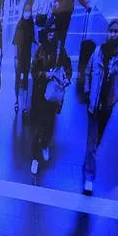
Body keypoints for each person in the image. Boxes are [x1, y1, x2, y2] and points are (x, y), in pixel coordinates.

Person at [82, 17, 118, 195]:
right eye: (110, 30)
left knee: (97, 142)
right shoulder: (97, 52)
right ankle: (89, 177)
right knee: (92, 143)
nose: (112, 34)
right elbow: (87, 72)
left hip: (107, 107)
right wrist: (87, 91)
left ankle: (88, 161)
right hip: (94, 105)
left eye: (116, 31)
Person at [29, 26, 71, 177]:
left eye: (54, 30)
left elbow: (68, 67)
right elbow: (33, 71)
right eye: (50, 31)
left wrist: (65, 78)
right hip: (40, 95)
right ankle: (34, 158)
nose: (52, 34)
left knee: (50, 125)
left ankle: (45, 145)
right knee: (38, 128)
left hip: (54, 95)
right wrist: (45, 74)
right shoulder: (40, 50)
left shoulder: (60, 50)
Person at [12, 0, 36, 120]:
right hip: (19, 57)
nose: (27, 12)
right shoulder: (20, 24)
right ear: (23, 11)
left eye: (29, 10)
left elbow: (33, 40)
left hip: (27, 57)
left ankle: (25, 106)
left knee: (26, 79)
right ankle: (16, 101)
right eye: (26, 10)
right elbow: (15, 43)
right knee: (17, 80)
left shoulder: (31, 24)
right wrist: (15, 58)